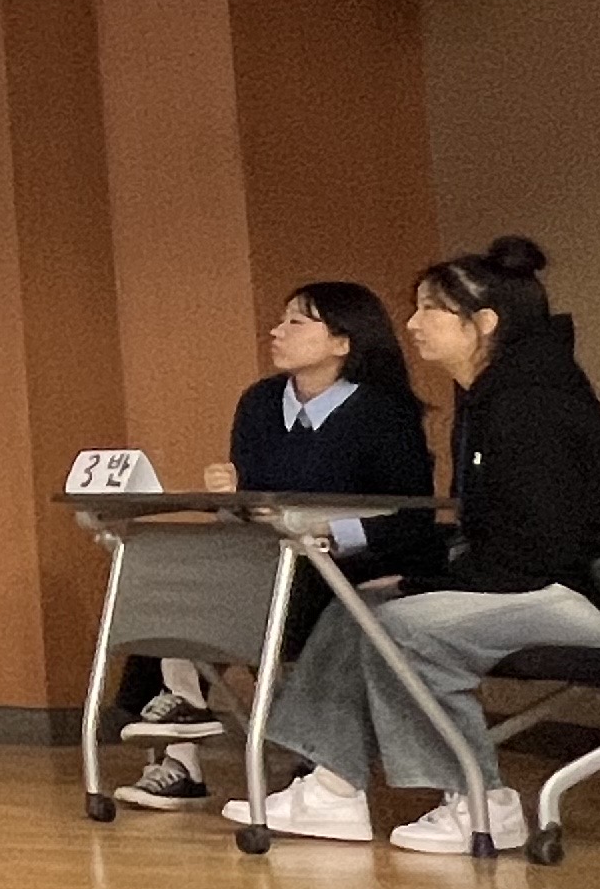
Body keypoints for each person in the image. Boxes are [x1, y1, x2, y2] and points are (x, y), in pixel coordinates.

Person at [233, 237, 600, 855]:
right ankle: (334, 788)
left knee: (402, 628)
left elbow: (540, 544)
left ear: (484, 323)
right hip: (534, 579)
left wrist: (427, 583)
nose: (413, 324)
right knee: (356, 607)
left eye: (431, 310)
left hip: (590, 592)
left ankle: (481, 800)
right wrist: (424, 577)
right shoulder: (488, 394)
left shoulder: (532, 401)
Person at [110, 282, 434, 812]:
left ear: (342, 342)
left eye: (297, 322)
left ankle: (195, 714)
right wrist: (231, 494)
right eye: (281, 321)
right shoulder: (260, 403)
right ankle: (181, 756)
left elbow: (410, 518)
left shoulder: (384, 413)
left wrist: (328, 533)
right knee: (174, 584)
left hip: (349, 565)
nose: (277, 332)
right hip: (265, 557)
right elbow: (254, 504)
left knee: (244, 590)